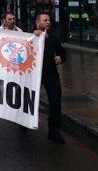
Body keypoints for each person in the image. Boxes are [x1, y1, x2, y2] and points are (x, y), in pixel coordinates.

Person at [34, 12, 67, 144]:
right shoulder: (31, 36)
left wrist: (60, 57)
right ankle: (23, 123)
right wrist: (35, 34)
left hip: (51, 73)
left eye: (49, 20)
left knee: (55, 101)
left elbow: (61, 52)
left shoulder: (53, 37)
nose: (48, 22)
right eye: (45, 20)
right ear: (38, 22)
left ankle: (54, 131)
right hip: (35, 74)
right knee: (28, 100)